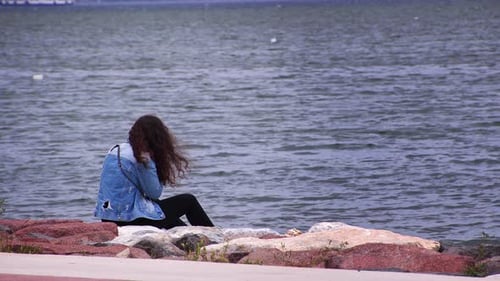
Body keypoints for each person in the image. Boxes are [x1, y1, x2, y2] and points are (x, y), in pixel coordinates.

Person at [94, 114, 214, 229]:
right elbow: (154, 192)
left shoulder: (114, 150)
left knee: (159, 208)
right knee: (188, 200)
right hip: (131, 220)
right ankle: (215, 236)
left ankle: (189, 237)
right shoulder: (142, 157)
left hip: (107, 217)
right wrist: (156, 166)